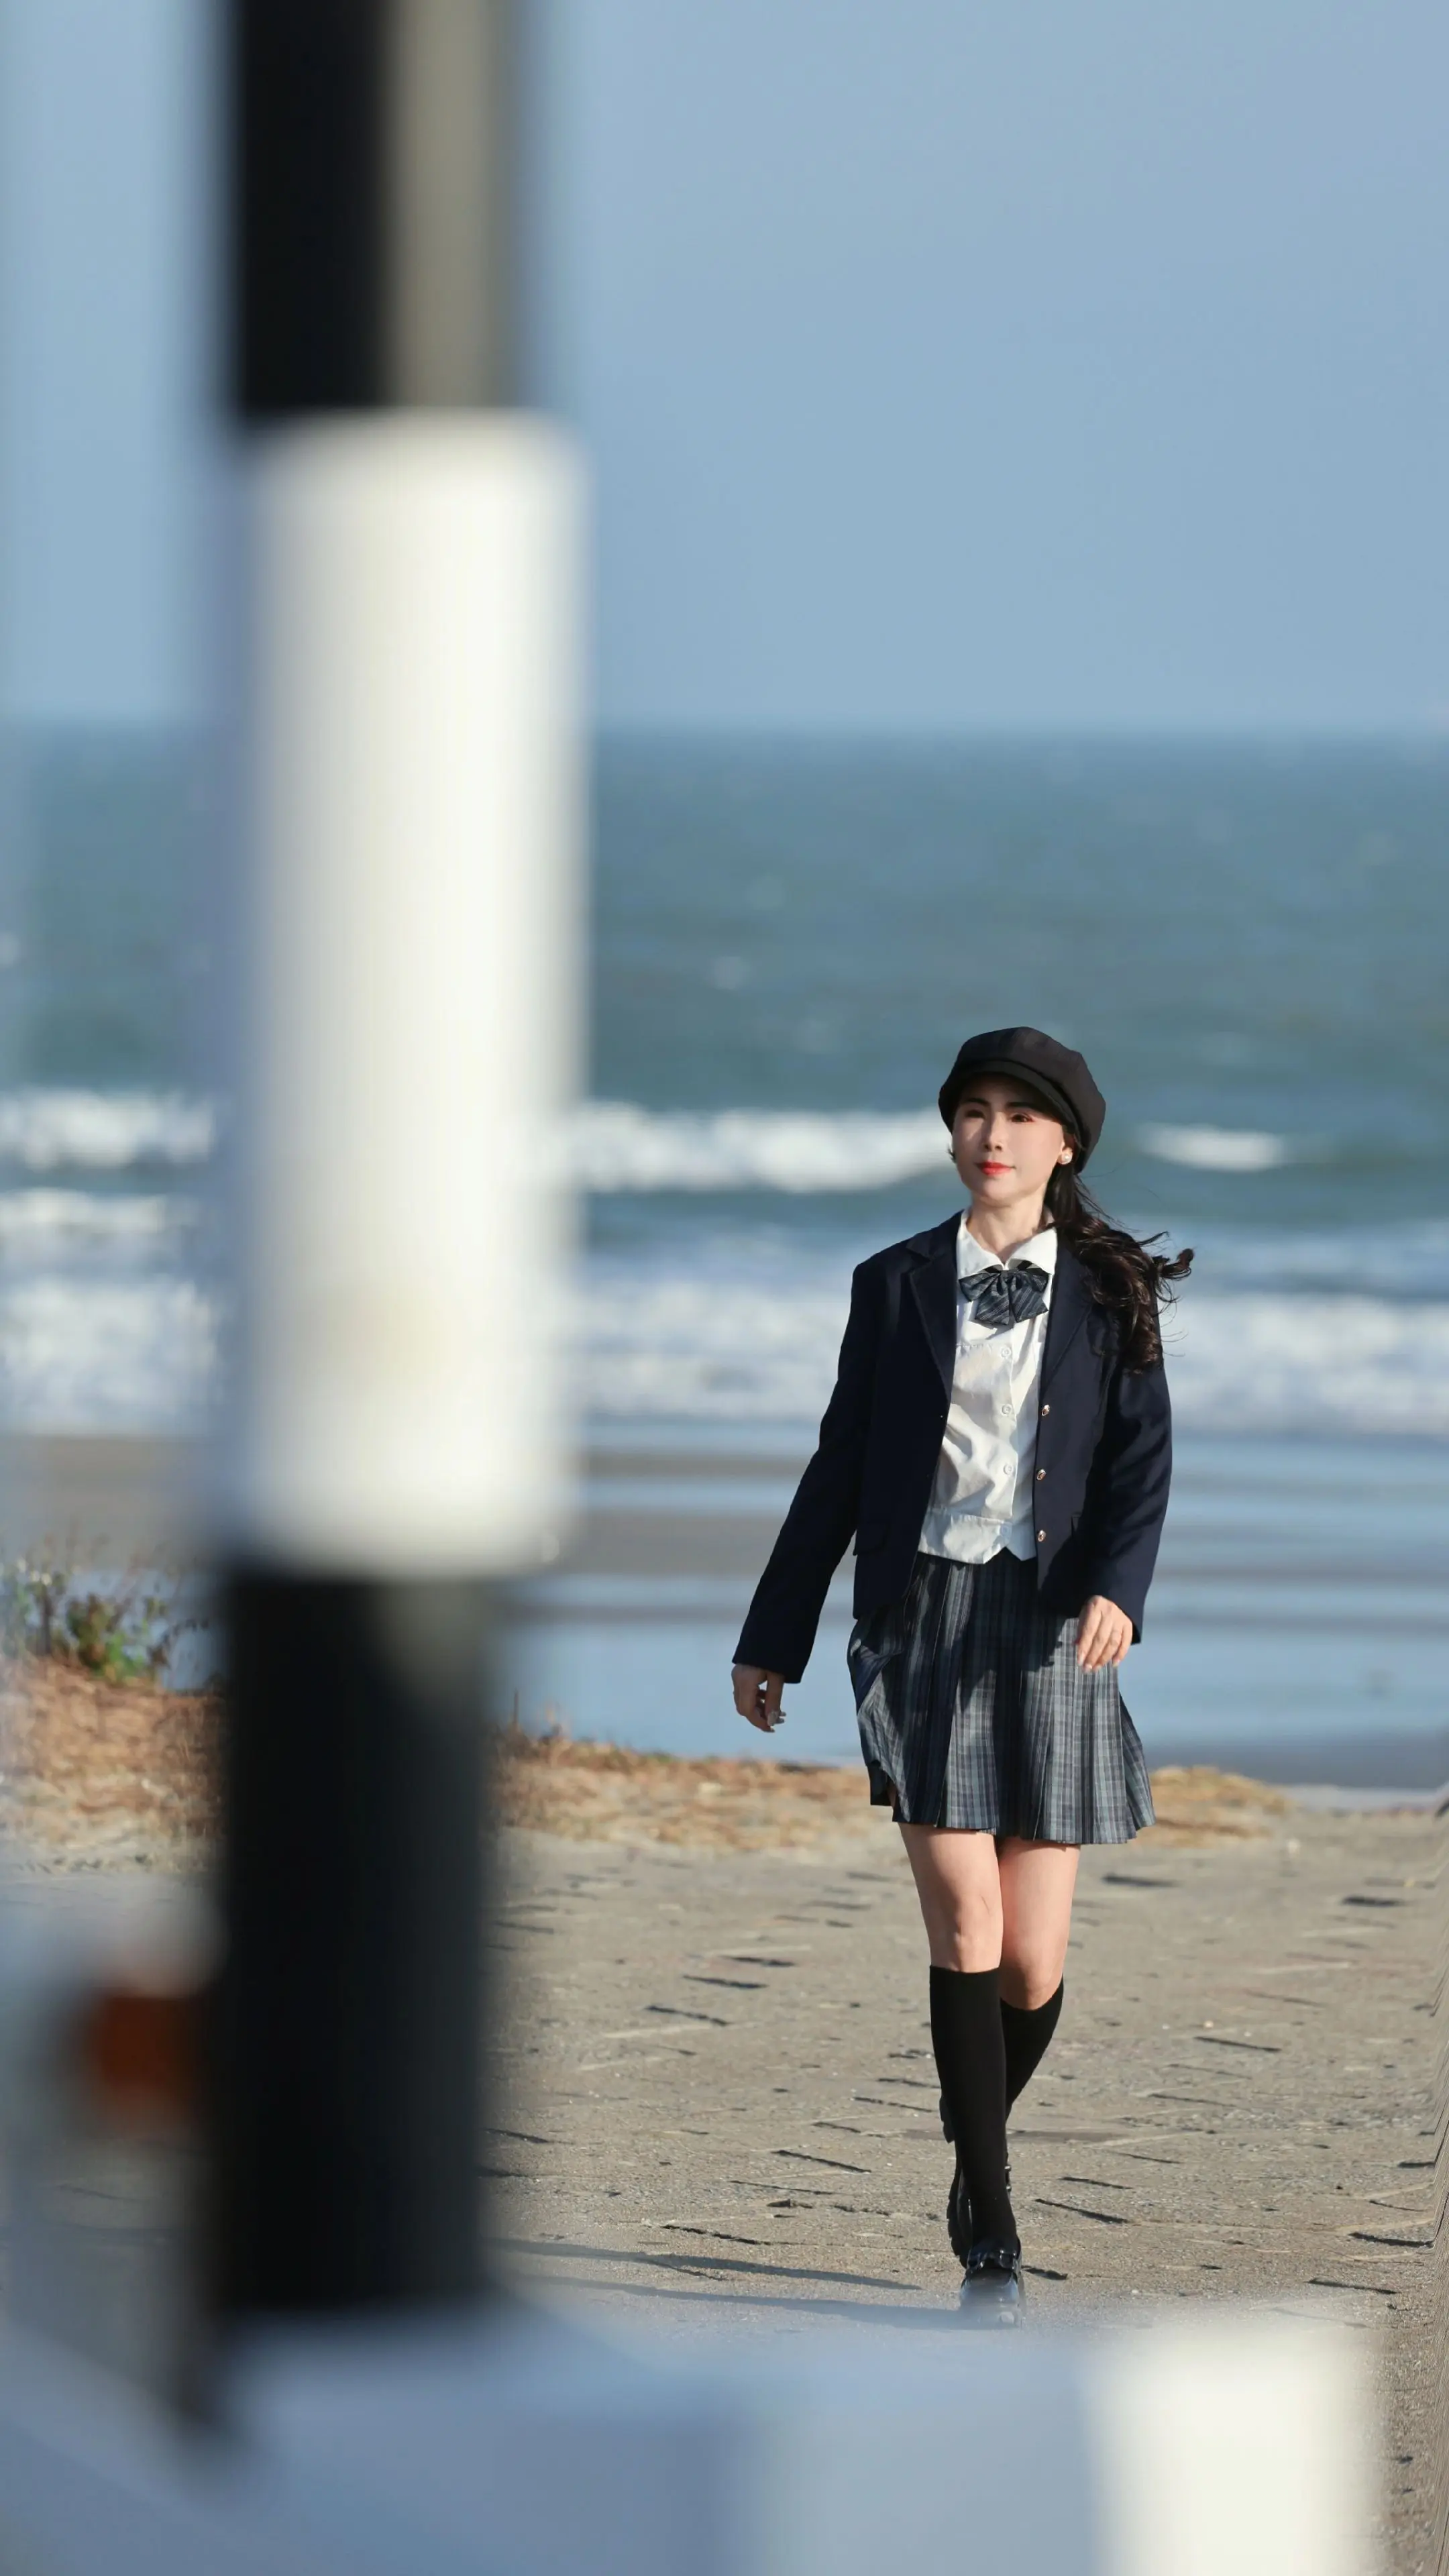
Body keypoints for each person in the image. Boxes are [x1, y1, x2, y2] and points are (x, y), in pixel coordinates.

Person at [731, 1026, 1189, 2316]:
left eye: (1021, 1116)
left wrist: (1121, 1590)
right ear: (952, 1131)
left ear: (1066, 1144)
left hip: (1055, 1623)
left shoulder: (1111, 1291)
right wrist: (773, 1634)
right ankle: (992, 2224)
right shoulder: (892, 1284)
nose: (994, 1134)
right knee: (967, 1931)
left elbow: (1143, 1463)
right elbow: (837, 1466)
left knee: (1032, 1966)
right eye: (975, 1110)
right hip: (922, 1616)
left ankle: (967, 2148)